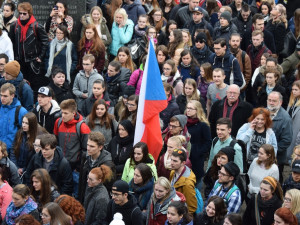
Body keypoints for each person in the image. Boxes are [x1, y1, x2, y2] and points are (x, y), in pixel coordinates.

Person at [9, 2, 49, 96]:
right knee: (19, 85)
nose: (22, 15)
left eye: (24, 13)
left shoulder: (36, 26)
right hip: (18, 60)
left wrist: (40, 57)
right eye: (20, 13)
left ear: (29, 14)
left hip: (32, 61)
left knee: (34, 86)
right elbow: (11, 42)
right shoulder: (14, 25)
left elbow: (45, 42)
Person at [78, 131, 115, 203]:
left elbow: (108, 187)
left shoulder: (108, 164)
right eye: (87, 145)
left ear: (100, 147)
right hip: (85, 198)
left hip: (98, 201)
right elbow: (81, 182)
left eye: (92, 146)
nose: (88, 148)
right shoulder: (85, 157)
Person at [267, 91, 292, 183]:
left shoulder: (286, 118)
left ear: (280, 102)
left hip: (277, 159)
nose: (271, 103)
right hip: (262, 156)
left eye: (274, 101)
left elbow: (286, 140)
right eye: (269, 100)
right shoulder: (263, 113)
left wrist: (272, 152)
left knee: (275, 182)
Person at [186, 100, 212, 184]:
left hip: (196, 159)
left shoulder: (203, 125)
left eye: (191, 108)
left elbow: (208, 142)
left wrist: (197, 151)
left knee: (195, 183)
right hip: (184, 157)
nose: (188, 110)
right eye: (187, 108)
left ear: (197, 110)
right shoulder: (184, 122)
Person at [0, 83, 27, 156]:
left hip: (14, 152)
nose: (2, 98)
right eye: (1, 95)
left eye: (5, 96)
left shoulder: (21, 111)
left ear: (12, 96)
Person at [169, 149, 197, 215]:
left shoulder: (187, 184)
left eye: (175, 161)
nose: (172, 163)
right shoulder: (173, 172)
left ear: (183, 163)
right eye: (171, 160)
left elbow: (191, 207)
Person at [287, 81, 300, 161]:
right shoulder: (292, 101)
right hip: (289, 131)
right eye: (293, 89)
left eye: (296, 89)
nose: (293, 91)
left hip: (297, 133)